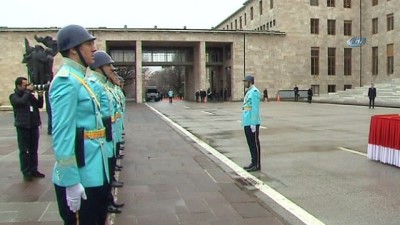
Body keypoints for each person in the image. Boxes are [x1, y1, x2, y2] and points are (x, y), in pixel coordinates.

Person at [49, 24, 109, 225]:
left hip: (92, 169)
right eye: (89, 44)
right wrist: (71, 181)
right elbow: (63, 135)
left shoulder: (79, 78)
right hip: (80, 176)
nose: (94, 48)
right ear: (74, 49)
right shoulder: (66, 82)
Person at [88, 51, 124, 214]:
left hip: (110, 131)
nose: (112, 69)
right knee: (103, 176)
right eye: (109, 65)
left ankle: (108, 200)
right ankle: (107, 201)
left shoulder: (105, 86)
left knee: (108, 171)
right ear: (99, 67)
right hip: (100, 137)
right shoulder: (95, 85)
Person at [9, 77, 45, 181]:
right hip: (22, 126)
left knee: (34, 150)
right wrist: (28, 92)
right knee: (24, 151)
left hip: (33, 125)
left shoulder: (29, 96)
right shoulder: (13, 96)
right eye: (25, 85)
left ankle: (34, 170)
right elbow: (20, 102)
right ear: (18, 86)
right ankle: (26, 171)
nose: (27, 87)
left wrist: (40, 96)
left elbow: (39, 105)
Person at [241, 75, 261, 172]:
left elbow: (255, 109)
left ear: (250, 82)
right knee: (250, 143)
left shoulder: (254, 92)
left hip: (252, 123)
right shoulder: (248, 92)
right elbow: (246, 107)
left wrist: (253, 123)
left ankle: (257, 164)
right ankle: (253, 162)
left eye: (246, 81)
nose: (244, 83)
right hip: (247, 122)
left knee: (255, 143)